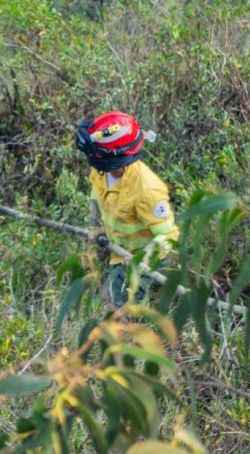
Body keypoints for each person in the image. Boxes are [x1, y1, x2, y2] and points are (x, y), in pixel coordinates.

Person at [75, 111, 179, 308]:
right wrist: (94, 225)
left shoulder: (147, 189)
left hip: (148, 259)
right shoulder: (100, 172)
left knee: (109, 309)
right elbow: (96, 196)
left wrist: (144, 257)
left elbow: (169, 235)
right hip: (120, 251)